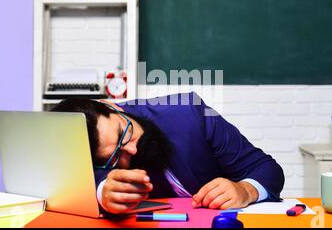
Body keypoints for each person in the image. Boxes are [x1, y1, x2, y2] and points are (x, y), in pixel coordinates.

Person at [52, 92, 284, 214]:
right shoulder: (88, 160)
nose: (132, 148)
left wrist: (246, 189)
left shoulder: (192, 113)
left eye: (124, 132)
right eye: (115, 157)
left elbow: (267, 168)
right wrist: (102, 191)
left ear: (112, 106)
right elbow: (64, 182)